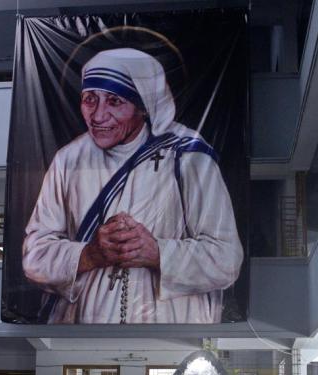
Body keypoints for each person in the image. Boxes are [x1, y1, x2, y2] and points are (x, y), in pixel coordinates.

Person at [22, 48, 243, 324]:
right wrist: (89, 254)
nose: (97, 116)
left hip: (170, 331)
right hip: (82, 334)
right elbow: (35, 256)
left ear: (143, 106)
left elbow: (226, 259)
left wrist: (157, 252)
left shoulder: (189, 157)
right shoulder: (68, 160)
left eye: (114, 101)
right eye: (90, 100)